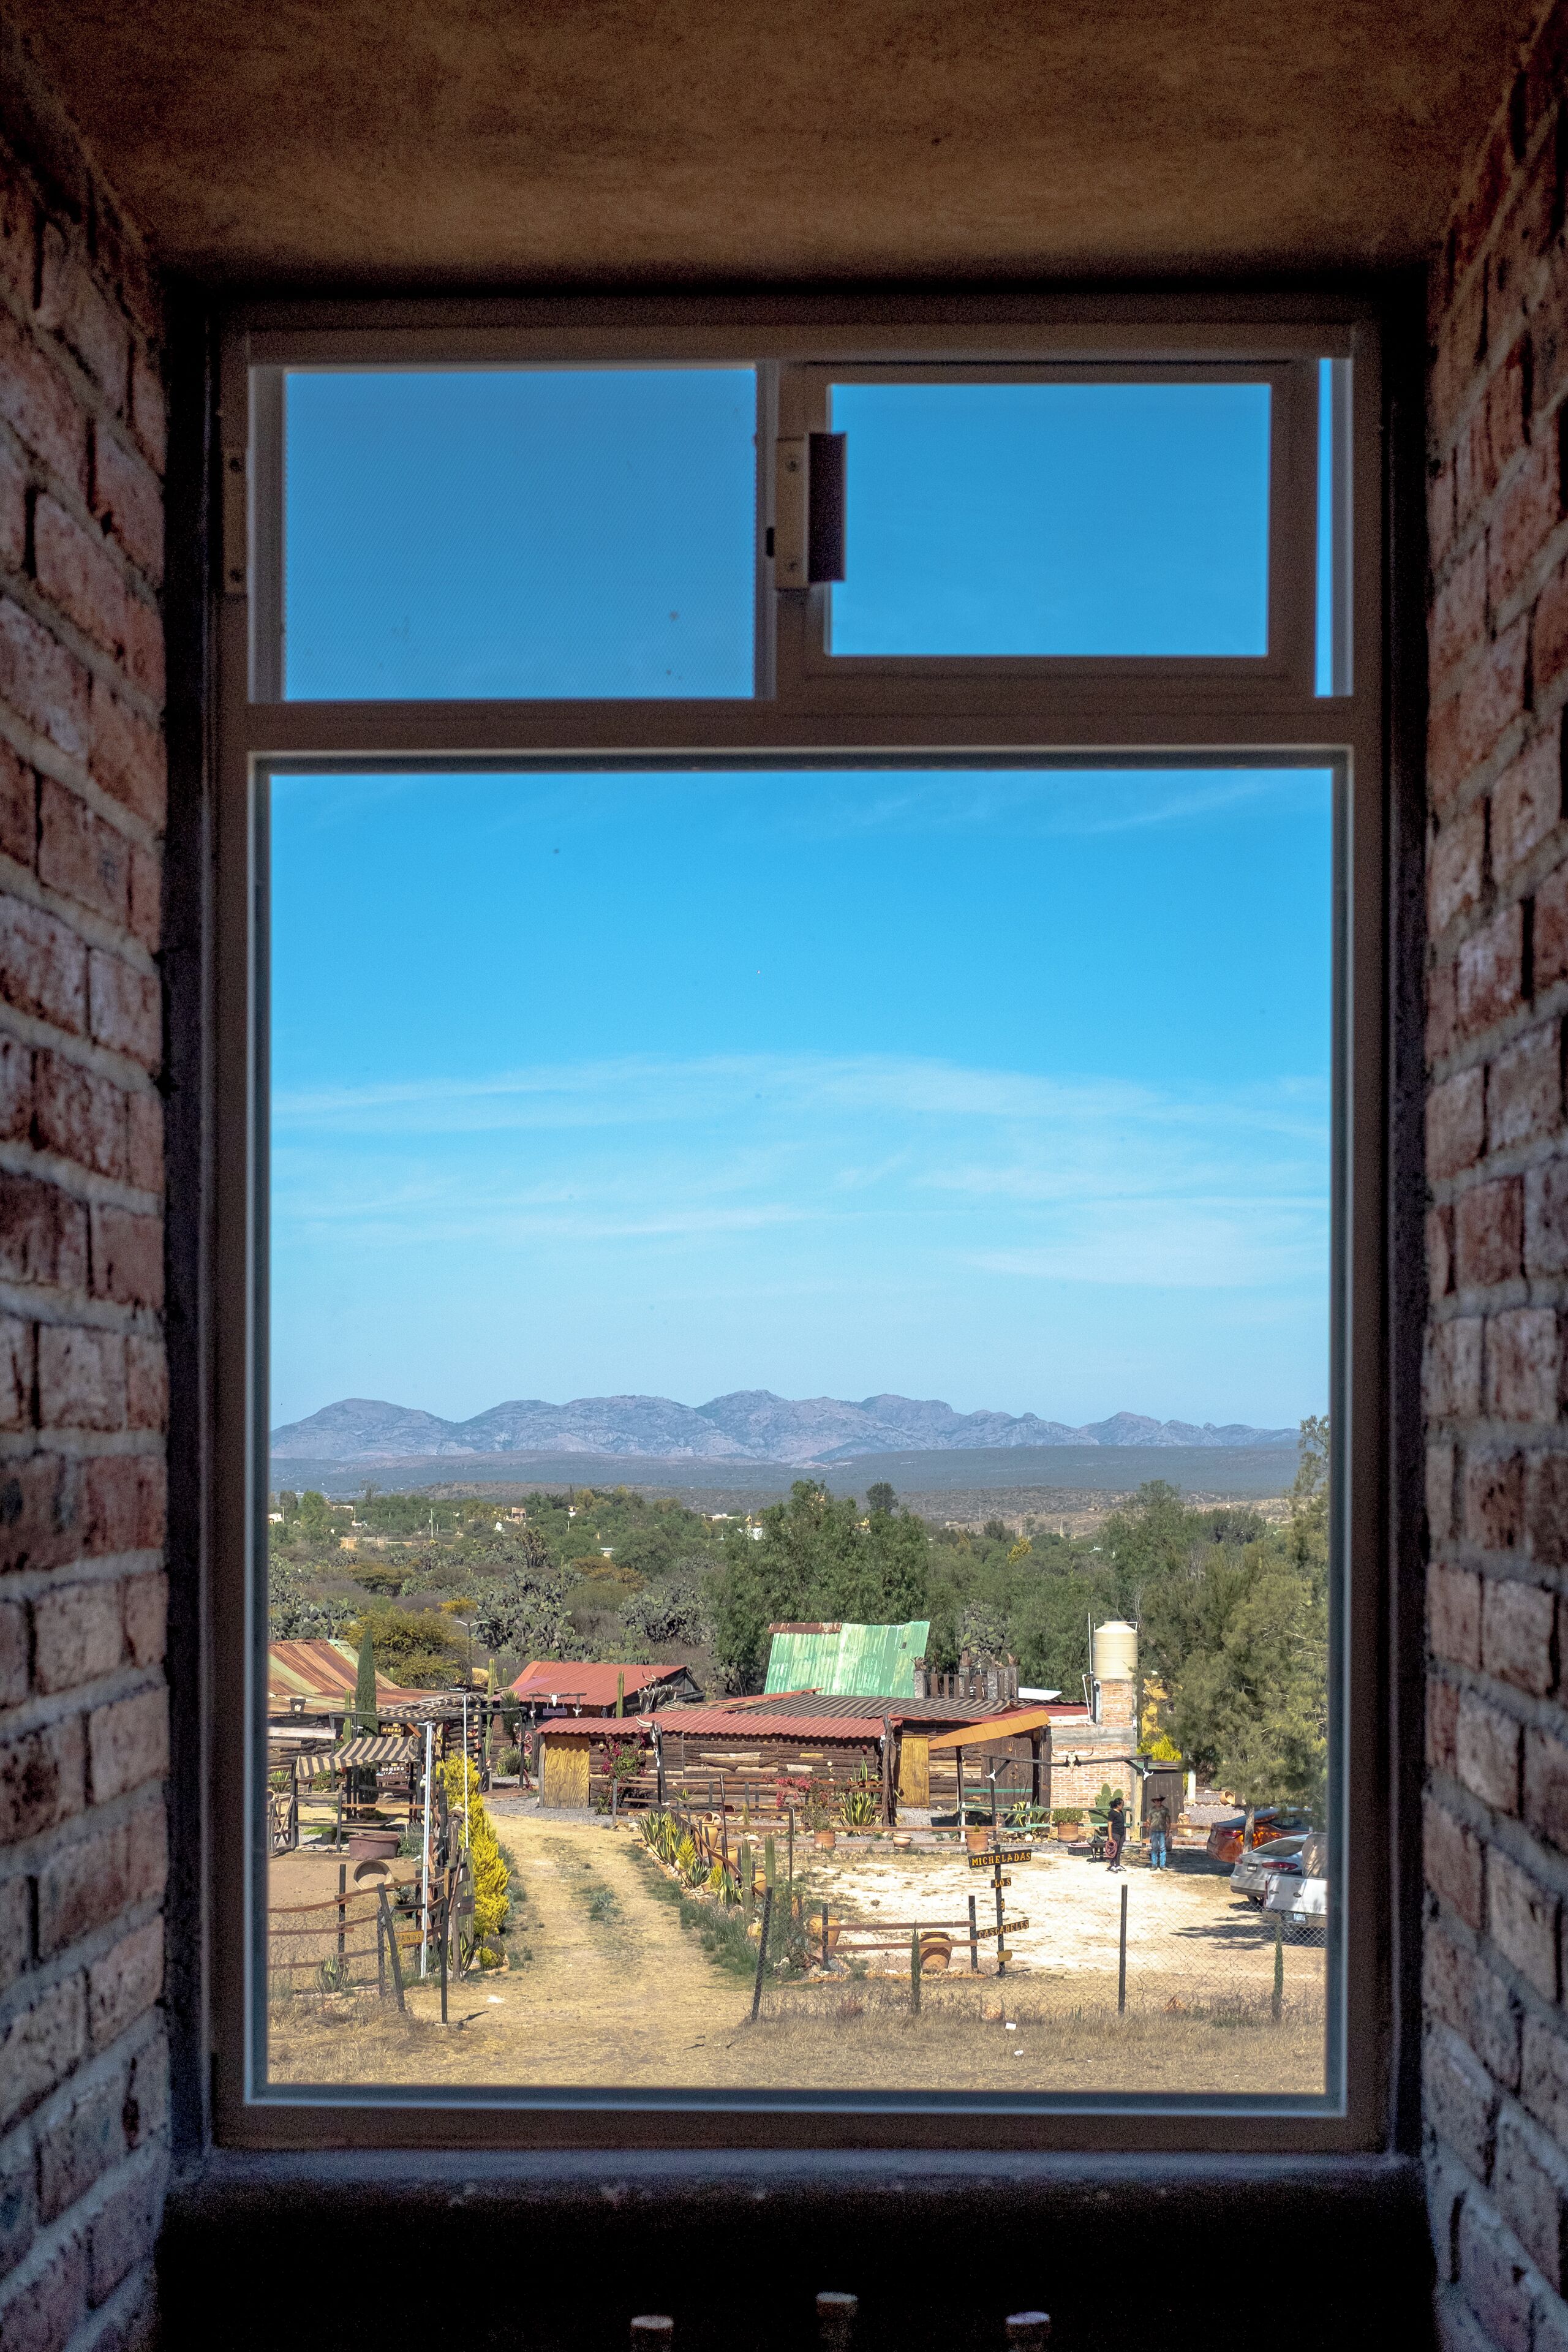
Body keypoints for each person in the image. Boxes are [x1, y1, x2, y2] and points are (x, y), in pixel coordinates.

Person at [1147, 1794, 1170, 1871]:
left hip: (1162, 1831)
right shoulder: (1152, 1810)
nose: (1159, 1802)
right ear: (1154, 1801)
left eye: (1160, 1800)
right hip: (1154, 1831)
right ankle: (1154, 1864)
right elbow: (1149, 1820)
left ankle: (1162, 1865)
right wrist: (1148, 1828)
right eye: (1157, 1800)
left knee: (1163, 1848)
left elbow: (1168, 1822)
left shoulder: (1165, 1810)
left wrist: (1168, 1831)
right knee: (1154, 1848)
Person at [1106, 1792, 1126, 1872]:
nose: (1123, 1806)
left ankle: (1118, 1864)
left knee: (1119, 1850)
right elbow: (1110, 1825)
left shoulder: (1121, 1812)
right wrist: (1110, 1837)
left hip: (1121, 1834)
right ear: (1118, 1805)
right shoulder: (1112, 1813)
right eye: (1122, 1805)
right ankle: (1112, 1865)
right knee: (1113, 1850)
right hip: (1115, 1834)